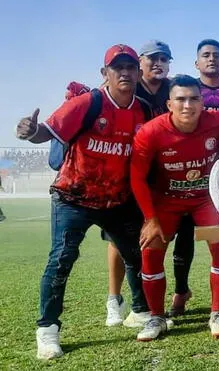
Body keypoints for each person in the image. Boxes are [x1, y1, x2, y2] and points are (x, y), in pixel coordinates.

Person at [16, 44, 151, 360]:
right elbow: (45, 133)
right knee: (61, 259)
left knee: (135, 255)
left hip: (116, 200)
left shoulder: (143, 110)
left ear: (138, 72)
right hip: (73, 197)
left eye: (131, 67)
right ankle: (47, 331)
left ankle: (140, 311)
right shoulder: (87, 103)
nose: (125, 73)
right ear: (105, 74)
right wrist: (31, 131)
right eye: (118, 68)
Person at [130, 75, 219, 341]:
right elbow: (137, 177)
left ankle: (217, 313)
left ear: (202, 103)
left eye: (193, 99)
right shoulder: (151, 132)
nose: (187, 105)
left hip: (205, 198)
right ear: (169, 104)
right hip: (166, 199)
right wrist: (150, 218)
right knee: (151, 248)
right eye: (180, 99)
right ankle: (156, 317)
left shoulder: (218, 120)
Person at [104, 40, 173, 327]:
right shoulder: (130, 86)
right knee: (119, 241)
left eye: (164, 59)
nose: (158, 63)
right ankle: (113, 299)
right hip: (123, 174)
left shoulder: (173, 89)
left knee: (152, 240)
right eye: (152, 58)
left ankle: (142, 304)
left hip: (159, 177)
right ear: (140, 63)